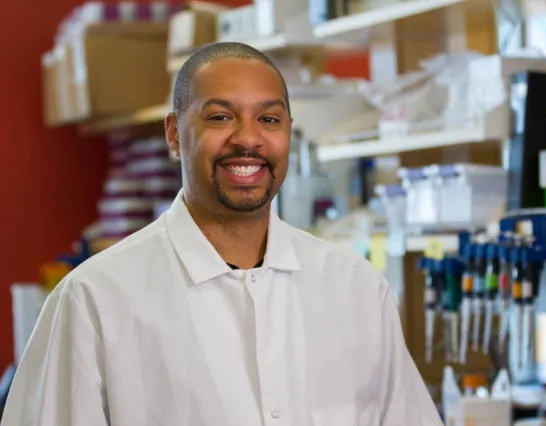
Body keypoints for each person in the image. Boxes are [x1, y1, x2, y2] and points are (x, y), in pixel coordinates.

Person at [1, 42, 443, 426]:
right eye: (220, 117)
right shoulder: (94, 301)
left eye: (269, 120)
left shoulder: (356, 288)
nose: (247, 139)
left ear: (289, 131)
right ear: (175, 134)